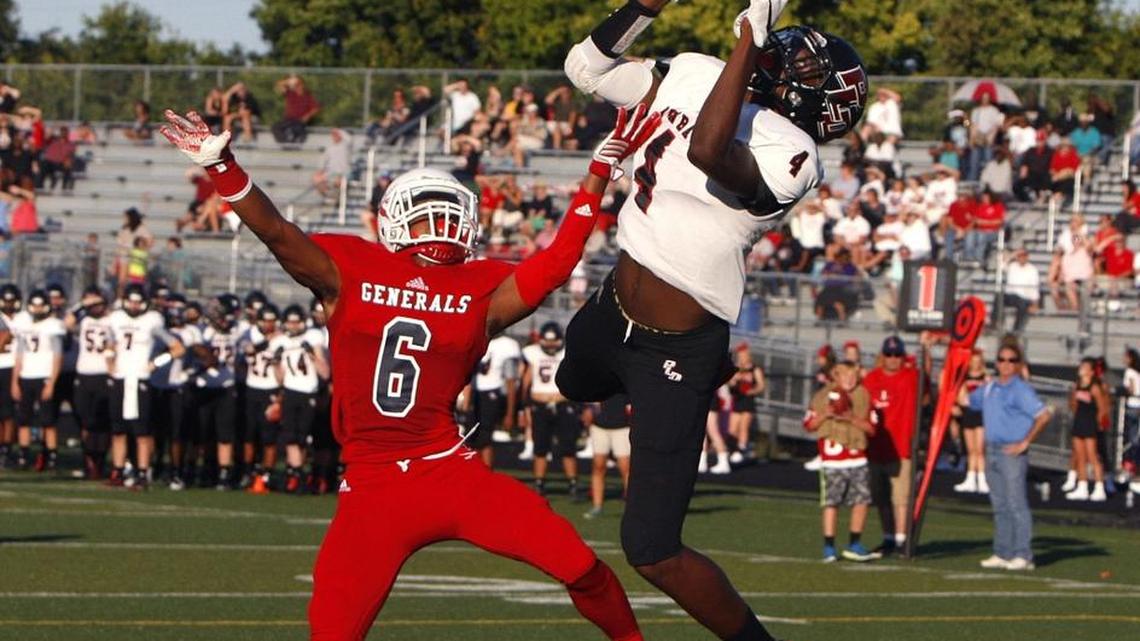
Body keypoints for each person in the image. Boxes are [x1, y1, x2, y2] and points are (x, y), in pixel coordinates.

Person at [160, 95, 656, 639]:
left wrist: (223, 168)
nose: (438, 222)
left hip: (436, 472)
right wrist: (593, 177)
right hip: (400, 481)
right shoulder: (385, 274)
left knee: (581, 567)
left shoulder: (373, 270)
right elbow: (559, 260)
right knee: (333, 631)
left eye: (444, 210)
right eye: (426, 211)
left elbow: (278, 231)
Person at [560, 1, 866, 638]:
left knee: (651, 549)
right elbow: (586, 68)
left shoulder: (796, 152)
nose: (786, 55)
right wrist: (643, 7)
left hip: (676, 347)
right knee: (569, 381)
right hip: (611, 303)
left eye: (804, 65)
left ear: (820, 103)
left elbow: (707, 148)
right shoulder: (698, 70)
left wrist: (749, 39)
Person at [966, 342, 1053, 571]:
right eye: (1002, 359)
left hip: (1010, 452)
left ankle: (1023, 554)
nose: (1005, 364)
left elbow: (1043, 416)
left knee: (1016, 503)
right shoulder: (990, 387)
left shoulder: (1021, 389)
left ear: (1018, 364)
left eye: (1011, 360)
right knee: (1000, 504)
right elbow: (966, 401)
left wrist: (1025, 442)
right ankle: (1003, 551)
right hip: (991, 448)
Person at [804, 361, 878, 563]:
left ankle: (854, 544)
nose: (849, 380)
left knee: (862, 501)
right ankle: (829, 546)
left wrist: (851, 418)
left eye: (853, 376)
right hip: (833, 461)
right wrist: (826, 414)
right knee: (831, 503)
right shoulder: (821, 397)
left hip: (857, 458)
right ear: (835, 377)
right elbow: (809, 425)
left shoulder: (863, 395)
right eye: (844, 376)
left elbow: (872, 429)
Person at [862, 336, 923, 555]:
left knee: (901, 497)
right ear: (882, 356)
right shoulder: (871, 379)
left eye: (898, 355)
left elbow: (926, 380)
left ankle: (901, 539)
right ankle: (888, 537)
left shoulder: (910, 377)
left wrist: (925, 346)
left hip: (900, 447)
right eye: (889, 354)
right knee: (880, 496)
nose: (893, 359)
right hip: (875, 447)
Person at [271, 304, 330, 493]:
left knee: (304, 437)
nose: (293, 326)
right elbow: (279, 378)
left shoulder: (313, 337)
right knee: (290, 437)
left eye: (297, 322)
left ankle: (303, 474)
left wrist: (312, 354)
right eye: (290, 322)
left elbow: (325, 372)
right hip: (290, 391)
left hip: (309, 392)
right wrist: (276, 362)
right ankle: (296, 475)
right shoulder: (280, 341)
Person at [521, 321, 583, 498]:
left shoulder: (566, 353)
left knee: (568, 446)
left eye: (553, 341)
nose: (550, 345)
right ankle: (539, 483)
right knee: (540, 447)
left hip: (563, 403)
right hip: (539, 405)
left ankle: (572, 483)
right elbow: (526, 380)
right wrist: (523, 407)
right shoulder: (532, 353)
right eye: (547, 342)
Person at [10, 290, 65, 471]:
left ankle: (51, 456)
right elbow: (19, 355)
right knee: (23, 419)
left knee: (47, 420)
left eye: (41, 305)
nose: (37, 309)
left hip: (44, 375)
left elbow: (58, 356)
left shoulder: (53, 325)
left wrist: (51, 382)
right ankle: (23, 454)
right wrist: (14, 380)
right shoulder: (24, 323)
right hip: (26, 375)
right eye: (34, 305)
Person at [472, 331, 522, 465]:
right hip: (472, 393)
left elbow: (510, 381)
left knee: (484, 438)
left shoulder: (506, 345)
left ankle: (485, 475)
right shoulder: (474, 337)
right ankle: (473, 474)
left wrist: (510, 413)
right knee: (471, 438)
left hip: (492, 394)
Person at [1064, 358, 1109, 501]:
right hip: (1079, 422)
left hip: (1090, 424)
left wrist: (1098, 424)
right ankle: (1082, 487)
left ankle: (1099, 488)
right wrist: (1073, 396)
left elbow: (1102, 408)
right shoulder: (1077, 385)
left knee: (1092, 456)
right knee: (1080, 456)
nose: (1081, 368)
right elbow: (1073, 405)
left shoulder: (1094, 387)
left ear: (1090, 371)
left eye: (1084, 366)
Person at [584, 393, 633, 519]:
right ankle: (597, 505)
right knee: (598, 466)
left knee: (625, 466)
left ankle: (631, 506)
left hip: (622, 426)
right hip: (600, 426)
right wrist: (589, 410)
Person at [952, 351, 990, 493]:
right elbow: (961, 398)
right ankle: (970, 478)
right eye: (973, 360)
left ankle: (982, 479)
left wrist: (974, 400)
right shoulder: (964, 377)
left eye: (978, 360)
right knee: (971, 450)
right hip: (968, 415)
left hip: (980, 415)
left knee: (980, 450)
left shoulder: (986, 378)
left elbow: (987, 396)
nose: (975, 363)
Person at [727, 344, 764, 463]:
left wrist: (752, 391)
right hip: (737, 400)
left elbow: (761, 385)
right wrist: (734, 381)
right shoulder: (736, 367)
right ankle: (734, 450)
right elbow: (729, 383)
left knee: (744, 426)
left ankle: (741, 451)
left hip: (748, 401)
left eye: (744, 354)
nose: (743, 357)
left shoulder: (754, 369)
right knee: (732, 429)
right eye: (741, 355)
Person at [272, 75, 320, 144]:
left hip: (299, 121)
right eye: (296, 85)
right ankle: (285, 143)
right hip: (288, 119)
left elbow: (316, 108)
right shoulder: (290, 93)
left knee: (296, 129)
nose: (297, 87)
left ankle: (293, 144)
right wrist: (288, 81)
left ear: (302, 85)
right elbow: (278, 85)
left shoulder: (308, 96)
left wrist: (307, 116)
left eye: (298, 85)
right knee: (275, 127)